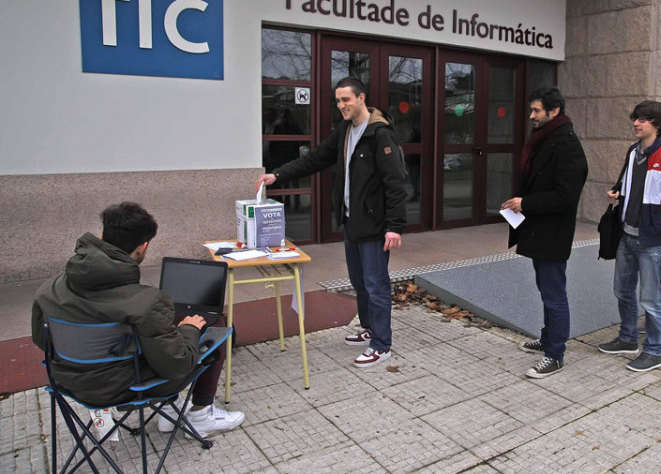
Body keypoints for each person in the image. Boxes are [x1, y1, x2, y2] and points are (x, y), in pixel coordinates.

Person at [31, 202, 244, 438]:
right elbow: (177, 364)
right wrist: (188, 329)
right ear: (142, 247)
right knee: (215, 327)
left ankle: (168, 415)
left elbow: (42, 340)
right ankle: (202, 414)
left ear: (102, 237)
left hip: (67, 380)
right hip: (126, 388)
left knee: (155, 339)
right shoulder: (146, 302)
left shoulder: (49, 289)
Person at [257, 76, 407, 367]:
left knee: (376, 285)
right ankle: (370, 328)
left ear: (361, 98)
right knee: (359, 281)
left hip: (376, 226)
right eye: (338, 101)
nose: (341, 106)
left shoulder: (379, 134)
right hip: (352, 221)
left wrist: (394, 226)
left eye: (346, 100)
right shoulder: (345, 132)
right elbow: (315, 159)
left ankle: (382, 344)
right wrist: (278, 175)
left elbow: (396, 182)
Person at [598, 101, 661, 372]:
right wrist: (616, 192)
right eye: (635, 118)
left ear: (657, 124)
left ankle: (654, 351)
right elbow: (626, 182)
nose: (636, 123)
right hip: (627, 234)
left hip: (653, 241)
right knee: (622, 291)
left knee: (651, 299)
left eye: (642, 119)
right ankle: (629, 338)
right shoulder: (633, 152)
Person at [504, 87, 588, 379]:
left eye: (537, 110)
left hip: (553, 232)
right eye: (532, 110)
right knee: (546, 290)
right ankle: (548, 337)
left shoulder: (567, 145)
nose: (531, 116)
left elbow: (566, 196)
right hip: (539, 230)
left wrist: (526, 203)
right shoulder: (545, 139)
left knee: (554, 294)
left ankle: (556, 354)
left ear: (554, 111)